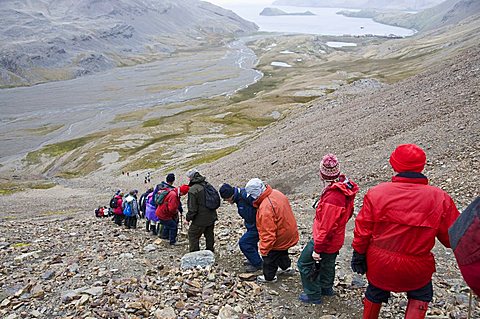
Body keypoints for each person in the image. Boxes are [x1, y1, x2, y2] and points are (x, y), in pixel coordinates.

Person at [351, 144, 460, 318]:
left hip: (381, 265)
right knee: (421, 294)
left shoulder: (376, 193)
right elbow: (452, 238)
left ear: (395, 165)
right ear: (421, 166)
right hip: (416, 268)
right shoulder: (439, 197)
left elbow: (362, 230)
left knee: (375, 291)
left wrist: (358, 254)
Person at [297, 154, 359, 304]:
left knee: (304, 263)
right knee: (328, 263)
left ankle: (313, 295)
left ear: (322, 174)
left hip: (326, 240)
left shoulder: (333, 197)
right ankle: (326, 288)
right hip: (336, 238)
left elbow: (326, 227)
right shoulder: (344, 188)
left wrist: (317, 249)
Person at [245, 178, 299, 283]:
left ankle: (269, 277)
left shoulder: (265, 207)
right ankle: (286, 268)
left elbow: (268, 233)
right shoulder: (276, 193)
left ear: (256, 193)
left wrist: (264, 250)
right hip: (288, 231)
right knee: (283, 251)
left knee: (270, 257)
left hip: (280, 236)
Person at [220, 183, 262, 273]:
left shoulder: (244, 197)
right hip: (252, 225)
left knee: (244, 243)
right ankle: (253, 259)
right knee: (251, 242)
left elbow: (260, 207)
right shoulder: (240, 197)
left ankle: (258, 264)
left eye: (226, 199)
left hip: (258, 226)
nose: (226, 201)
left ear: (230, 196)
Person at [186, 169, 218, 252]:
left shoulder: (193, 190)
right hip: (211, 216)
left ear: (191, 178)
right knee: (209, 234)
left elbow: (192, 209)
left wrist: (188, 218)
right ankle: (210, 250)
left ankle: (194, 253)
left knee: (193, 234)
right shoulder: (207, 184)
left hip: (200, 219)